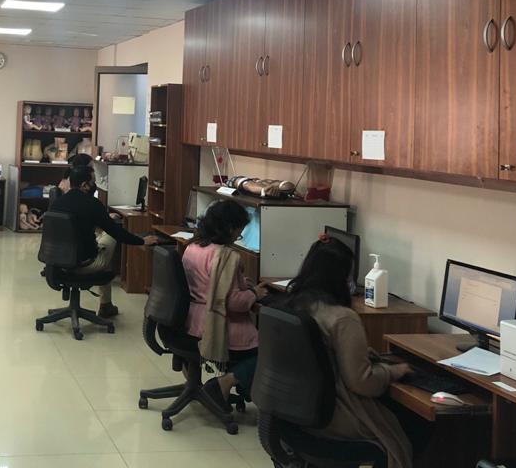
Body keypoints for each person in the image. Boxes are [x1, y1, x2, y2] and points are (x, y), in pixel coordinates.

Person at [283, 235, 426, 468]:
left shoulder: (293, 304)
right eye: (349, 275)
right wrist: (394, 371)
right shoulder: (342, 318)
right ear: (339, 277)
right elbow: (362, 383)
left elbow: (319, 356)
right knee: (416, 422)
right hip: (333, 417)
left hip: (296, 413)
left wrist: (356, 354)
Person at [182, 200, 262, 409]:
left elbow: (210, 284)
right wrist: (254, 293)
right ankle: (225, 383)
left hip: (190, 321)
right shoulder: (225, 256)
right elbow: (234, 303)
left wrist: (240, 283)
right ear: (230, 228)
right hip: (217, 324)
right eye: (239, 230)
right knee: (268, 351)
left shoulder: (192, 247)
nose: (239, 235)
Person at [49, 164, 158, 317]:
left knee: (100, 240)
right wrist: (142, 241)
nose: (95, 185)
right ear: (84, 185)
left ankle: (106, 305)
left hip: (57, 262)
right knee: (109, 237)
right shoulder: (93, 204)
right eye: (93, 181)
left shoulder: (57, 203)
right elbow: (117, 233)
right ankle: (105, 305)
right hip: (83, 264)